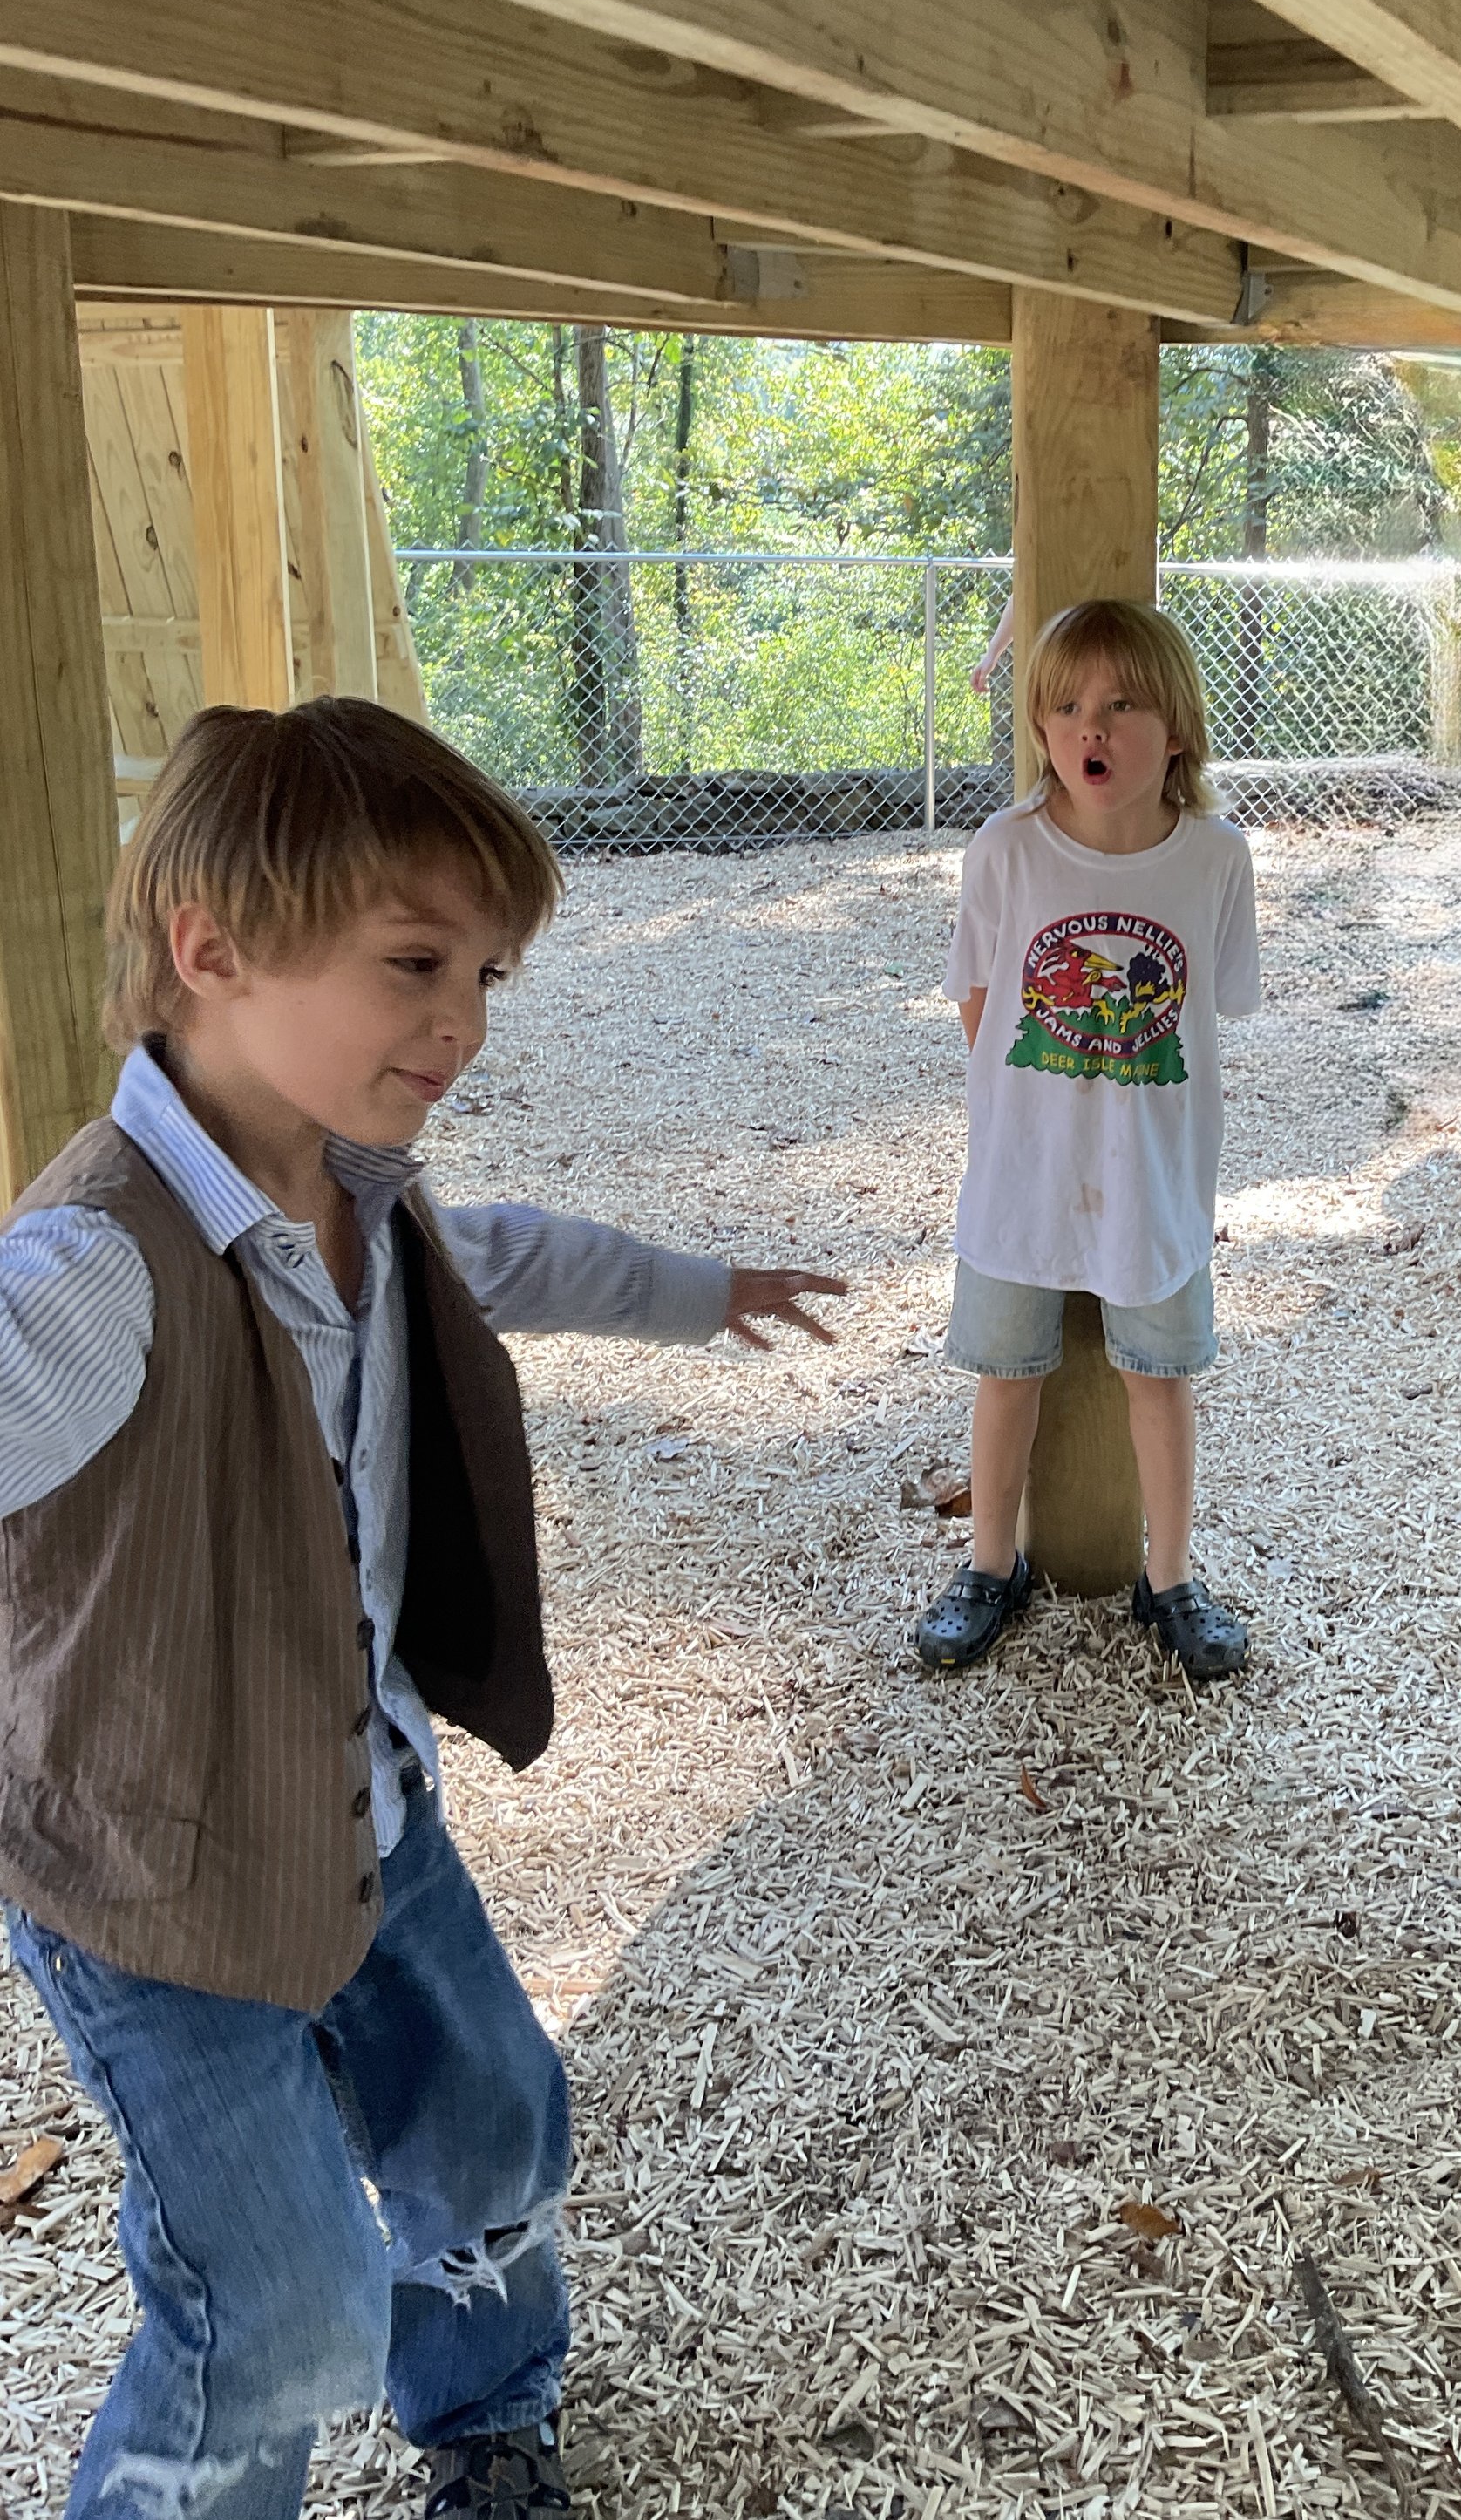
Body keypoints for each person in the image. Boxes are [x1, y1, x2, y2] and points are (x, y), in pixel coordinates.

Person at [0, 699, 845, 2520]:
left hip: (365, 1806)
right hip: (157, 1873)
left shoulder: (350, 1186)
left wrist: (707, 1290)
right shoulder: (91, 1266)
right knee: (284, 2307)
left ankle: (487, 2407)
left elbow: (511, 1251)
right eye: (411, 963)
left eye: (481, 972)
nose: (457, 1019)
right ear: (209, 945)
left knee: (495, 2125)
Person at [914, 599, 1260, 1683]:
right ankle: (988, 1566)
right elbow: (980, 1006)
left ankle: (1170, 1580)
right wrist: (1042, 1104)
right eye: (1064, 707)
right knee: (1006, 1372)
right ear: (1037, 726)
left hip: (1153, 1180)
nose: (1089, 730)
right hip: (1023, 1174)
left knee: (1158, 1378)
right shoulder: (1005, 852)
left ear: (1179, 730)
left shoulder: (1214, 859)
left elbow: (1216, 1011)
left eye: (1119, 705)